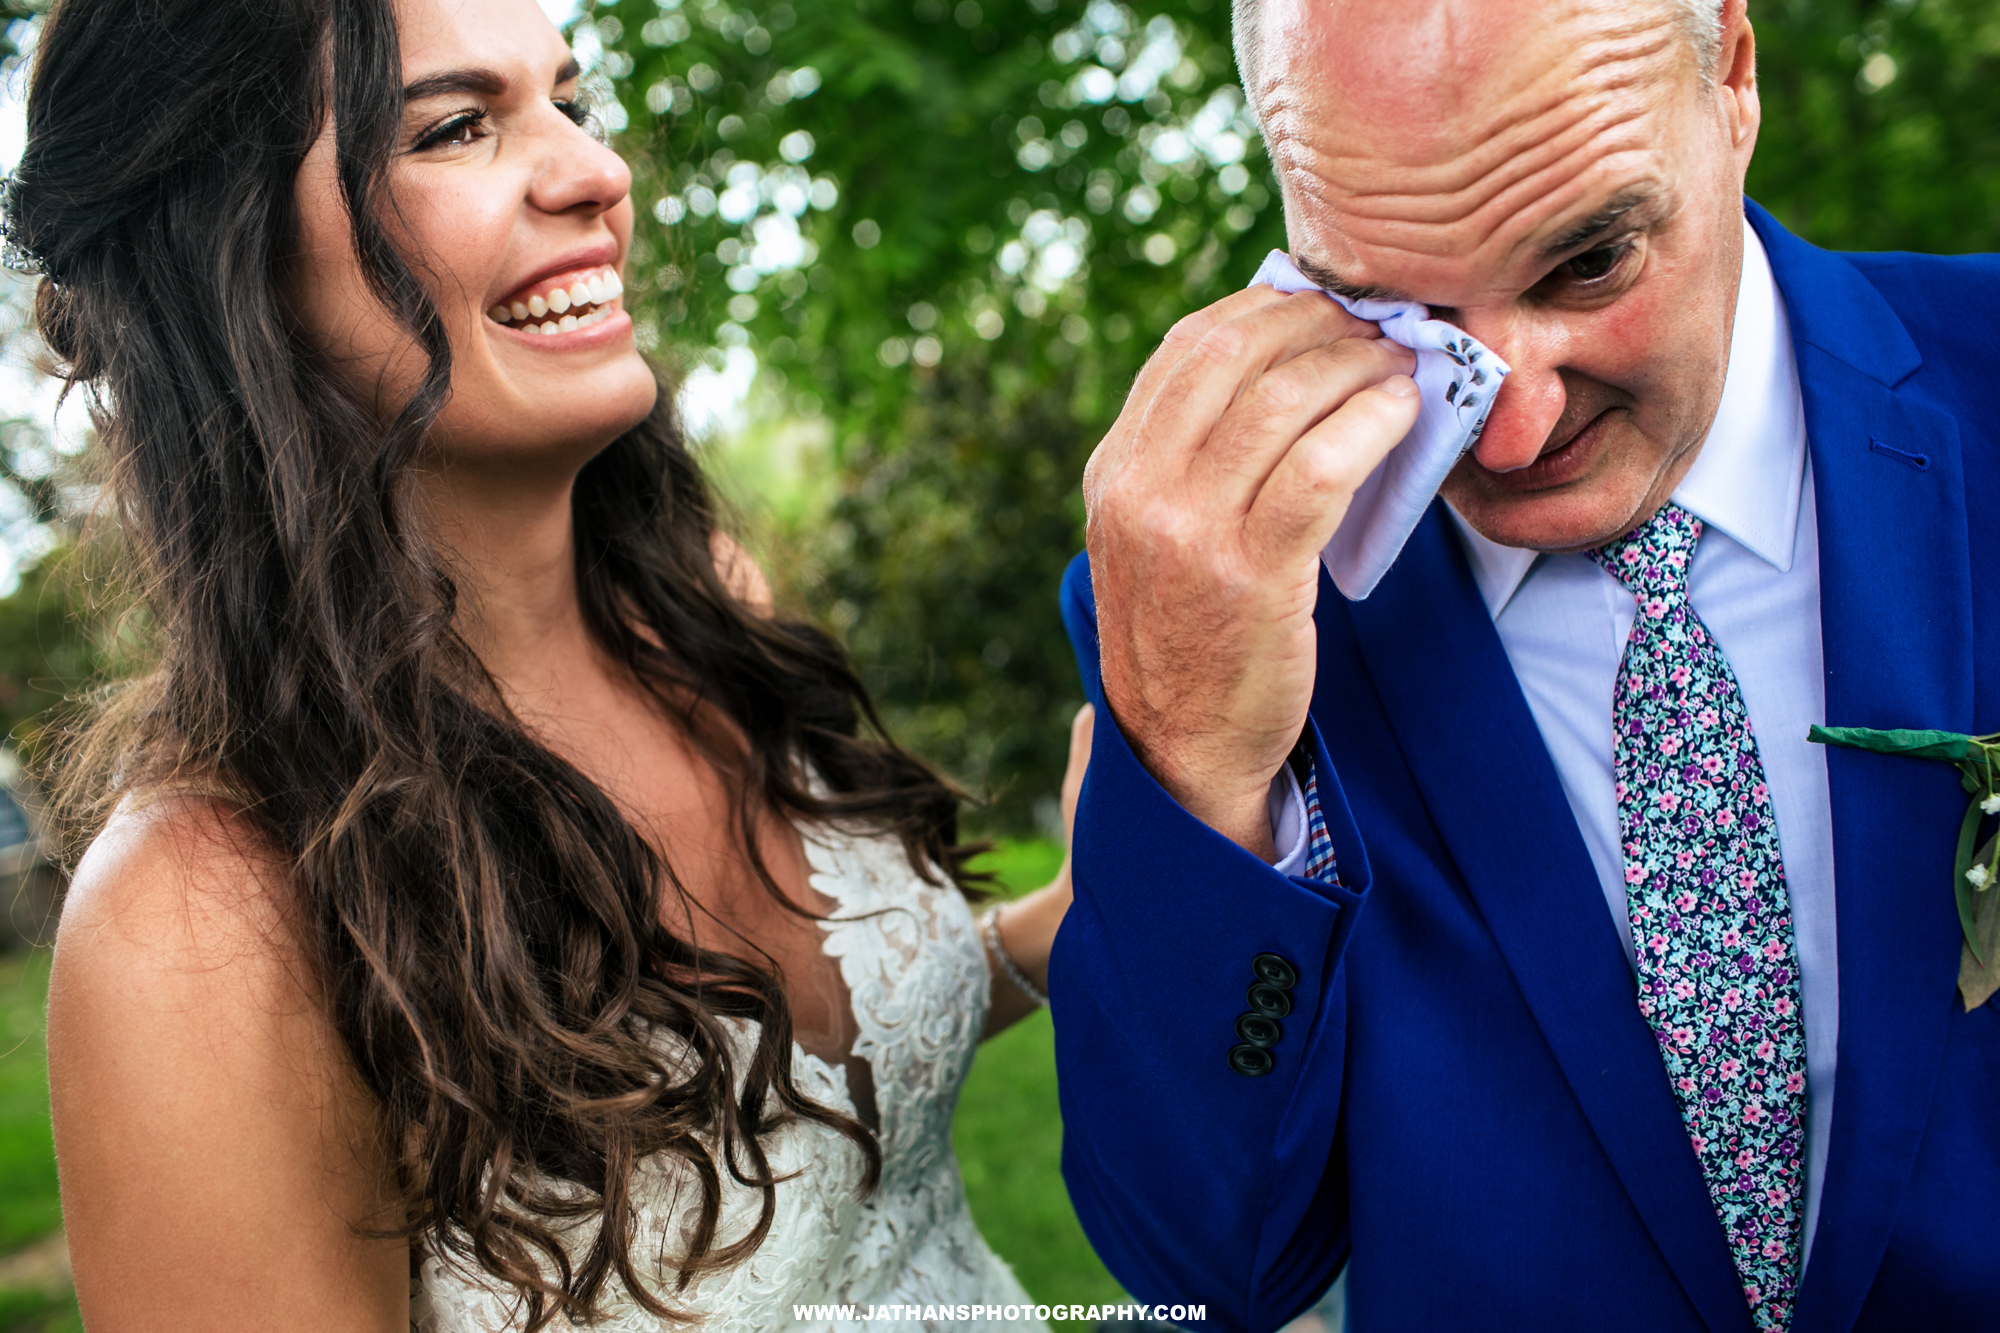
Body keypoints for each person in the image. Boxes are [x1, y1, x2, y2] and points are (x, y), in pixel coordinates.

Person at [10, 0, 1090, 1327]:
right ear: (227, 260)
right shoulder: (202, 918)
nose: (597, 170)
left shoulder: (707, 618)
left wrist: (1090, 903)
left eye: (568, 101)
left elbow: (813, 1086)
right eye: (457, 127)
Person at [1051, 0, 1999, 1329]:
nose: (1506, 427)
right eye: (1396, 305)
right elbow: (1210, 1265)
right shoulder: (1206, 589)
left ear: (1731, 72)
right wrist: (1200, 769)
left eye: (1593, 260)